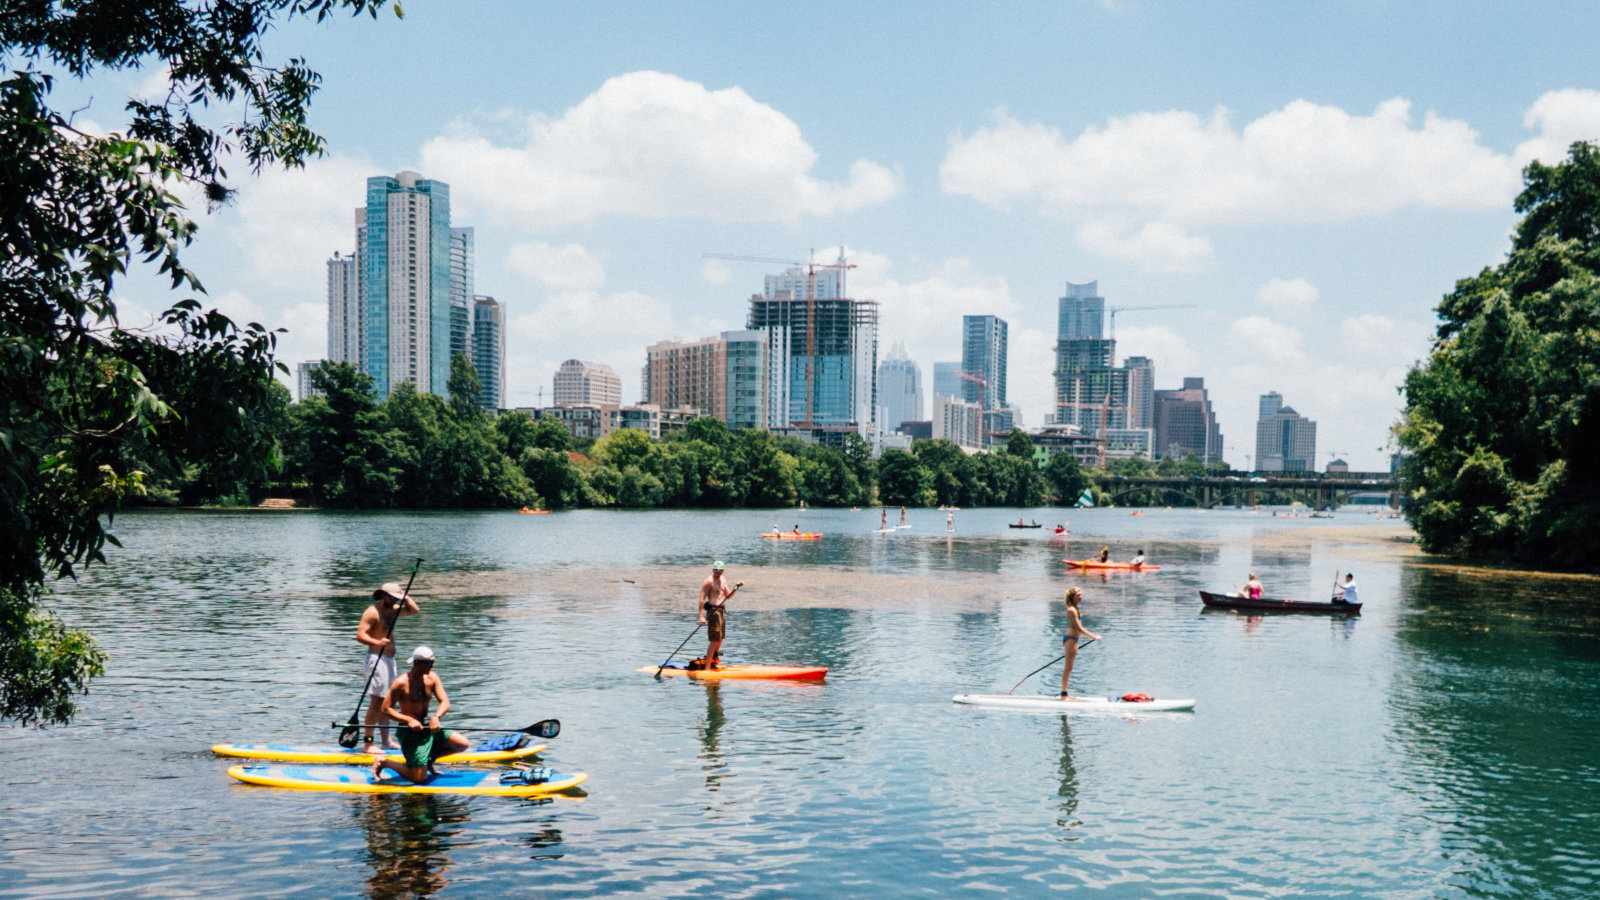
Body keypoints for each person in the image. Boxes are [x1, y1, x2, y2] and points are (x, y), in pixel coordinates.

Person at [371, 646, 469, 783]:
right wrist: (409, 720)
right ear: (417, 663)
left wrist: (436, 717)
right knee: (419, 778)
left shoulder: (432, 678)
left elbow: (445, 702)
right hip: (409, 732)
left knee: (462, 744)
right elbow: (386, 709)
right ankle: (385, 762)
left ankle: (428, 761)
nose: (432, 666)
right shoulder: (401, 683)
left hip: (428, 727)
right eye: (429, 663)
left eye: (433, 662)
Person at [356, 580, 420, 754]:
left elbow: (414, 610)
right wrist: (377, 641)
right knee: (376, 702)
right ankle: (368, 743)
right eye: (392, 598)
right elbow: (360, 635)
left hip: (389, 659)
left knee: (388, 701)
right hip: (376, 659)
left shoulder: (393, 610)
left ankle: (386, 741)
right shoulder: (372, 612)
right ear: (383, 595)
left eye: (397, 598)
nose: (395, 601)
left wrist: (405, 597)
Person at [698, 561, 743, 669]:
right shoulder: (708, 582)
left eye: (720, 571)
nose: (717, 572)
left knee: (720, 638)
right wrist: (701, 616)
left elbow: (728, 596)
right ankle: (707, 668)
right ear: (713, 569)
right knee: (714, 640)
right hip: (713, 612)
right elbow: (701, 599)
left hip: (721, 611)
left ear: (723, 571)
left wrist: (735, 588)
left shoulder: (723, 579)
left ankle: (714, 661)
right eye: (715, 570)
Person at [1059, 588, 1102, 699]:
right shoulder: (1071, 610)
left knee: (1070, 668)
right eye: (1078, 595)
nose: (1080, 597)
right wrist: (1094, 636)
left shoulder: (1075, 609)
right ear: (1072, 597)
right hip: (1070, 639)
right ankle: (1063, 695)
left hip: (1073, 639)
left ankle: (1065, 693)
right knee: (1068, 668)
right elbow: (1079, 628)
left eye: (1081, 595)